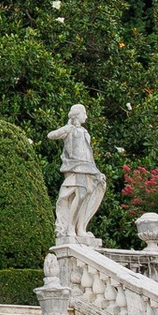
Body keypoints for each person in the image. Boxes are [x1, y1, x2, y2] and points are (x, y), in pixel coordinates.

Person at [48, 101, 106, 248]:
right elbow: (51, 135)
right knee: (80, 196)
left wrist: (97, 172)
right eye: (83, 113)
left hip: (88, 168)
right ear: (76, 115)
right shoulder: (70, 130)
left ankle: (80, 228)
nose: (86, 117)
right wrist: (67, 127)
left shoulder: (85, 133)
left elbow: (88, 154)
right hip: (76, 167)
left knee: (86, 196)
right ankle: (70, 228)